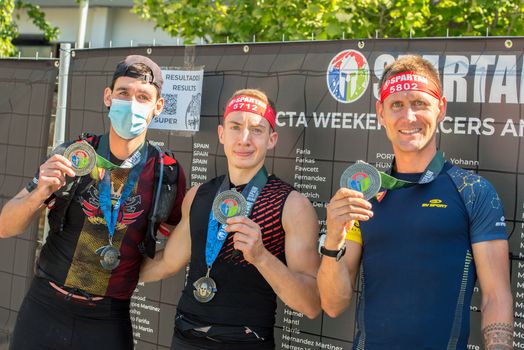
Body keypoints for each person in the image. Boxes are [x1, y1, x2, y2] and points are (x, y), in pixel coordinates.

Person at [317, 55, 513, 350]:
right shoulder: (363, 195)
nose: (408, 117)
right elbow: (333, 305)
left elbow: (496, 297)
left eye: (419, 103)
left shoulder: (474, 191)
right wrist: (332, 241)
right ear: (381, 113)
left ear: (441, 108)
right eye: (397, 105)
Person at [0, 55, 186, 350]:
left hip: (107, 321)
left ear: (157, 107)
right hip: (44, 308)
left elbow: (177, 249)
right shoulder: (76, 153)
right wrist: (38, 194)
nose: (132, 103)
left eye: (143, 97)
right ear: (108, 97)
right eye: (124, 93)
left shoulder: (166, 172)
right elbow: (5, 226)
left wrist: (130, 273)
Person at [140, 88, 321, 349]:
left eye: (257, 129)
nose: (244, 139)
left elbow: (311, 304)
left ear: (272, 139)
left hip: (245, 342)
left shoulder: (293, 206)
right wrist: (105, 273)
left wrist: (261, 257)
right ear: (222, 134)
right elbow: (167, 262)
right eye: (235, 127)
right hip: (185, 337)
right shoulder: (198, 195)